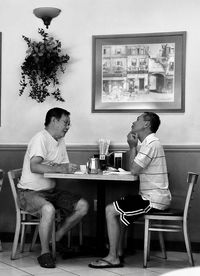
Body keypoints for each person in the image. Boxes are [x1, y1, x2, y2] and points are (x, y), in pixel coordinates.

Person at [89, 112, 171, 269]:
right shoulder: (149, 143)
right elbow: (134, 167)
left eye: (138, 119)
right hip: (153, 197)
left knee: (109, 210)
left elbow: (133, 169)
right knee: (121, 207)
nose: (133, 122)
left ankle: (113, 257)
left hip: (153, 199)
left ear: (146, 124)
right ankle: (118, 251)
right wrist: (132, 147)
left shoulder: (151, 144)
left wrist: (132, 146)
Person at [17, 107, 88, 268]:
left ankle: (55, 238)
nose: (68, 126)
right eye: (65, 122)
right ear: (54, 120)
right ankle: (44, 253)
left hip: (50, 192)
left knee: (83, 206)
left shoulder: (60, 141)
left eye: (69, 123)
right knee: (48, 209)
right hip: (29, 193)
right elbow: (35, 166)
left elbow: (63, 166)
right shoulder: (40, 139)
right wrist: (61, 168)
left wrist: (69, 168)